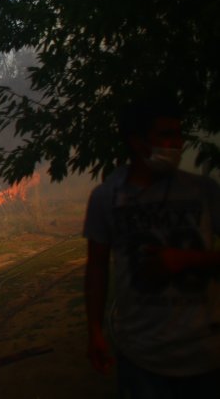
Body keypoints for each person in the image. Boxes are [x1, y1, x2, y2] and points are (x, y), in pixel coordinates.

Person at [84, 95, 220, 398]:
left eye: (178, 134)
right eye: (165, 135)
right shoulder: (106, 198)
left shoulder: (204, 192)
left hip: (206, 353)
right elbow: (96, 266)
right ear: (137, 141)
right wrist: (94, 330)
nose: (176, 143)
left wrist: (189, 260)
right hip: (140, 356)